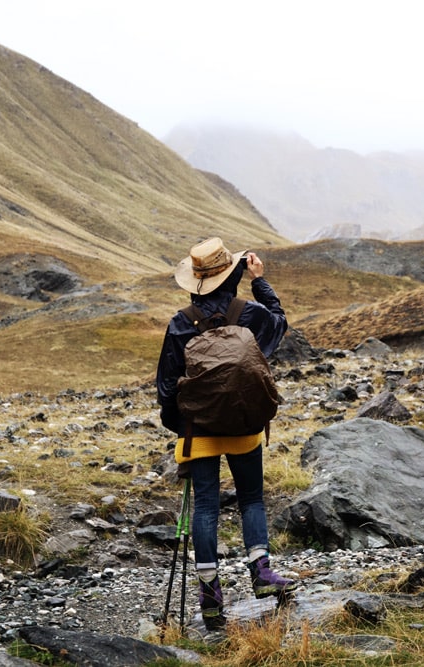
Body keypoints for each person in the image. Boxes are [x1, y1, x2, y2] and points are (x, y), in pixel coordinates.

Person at [156, 237, 297, 631]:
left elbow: (167, 387)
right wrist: (260, 281)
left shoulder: (181, 322)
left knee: (206, 508)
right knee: (252, 499)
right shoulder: (249, 313)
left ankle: (210, 595)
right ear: (233, 273)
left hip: (198, 430)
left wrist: (182, 429)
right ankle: (262, 573)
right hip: (244, 424)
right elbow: (279, 323)